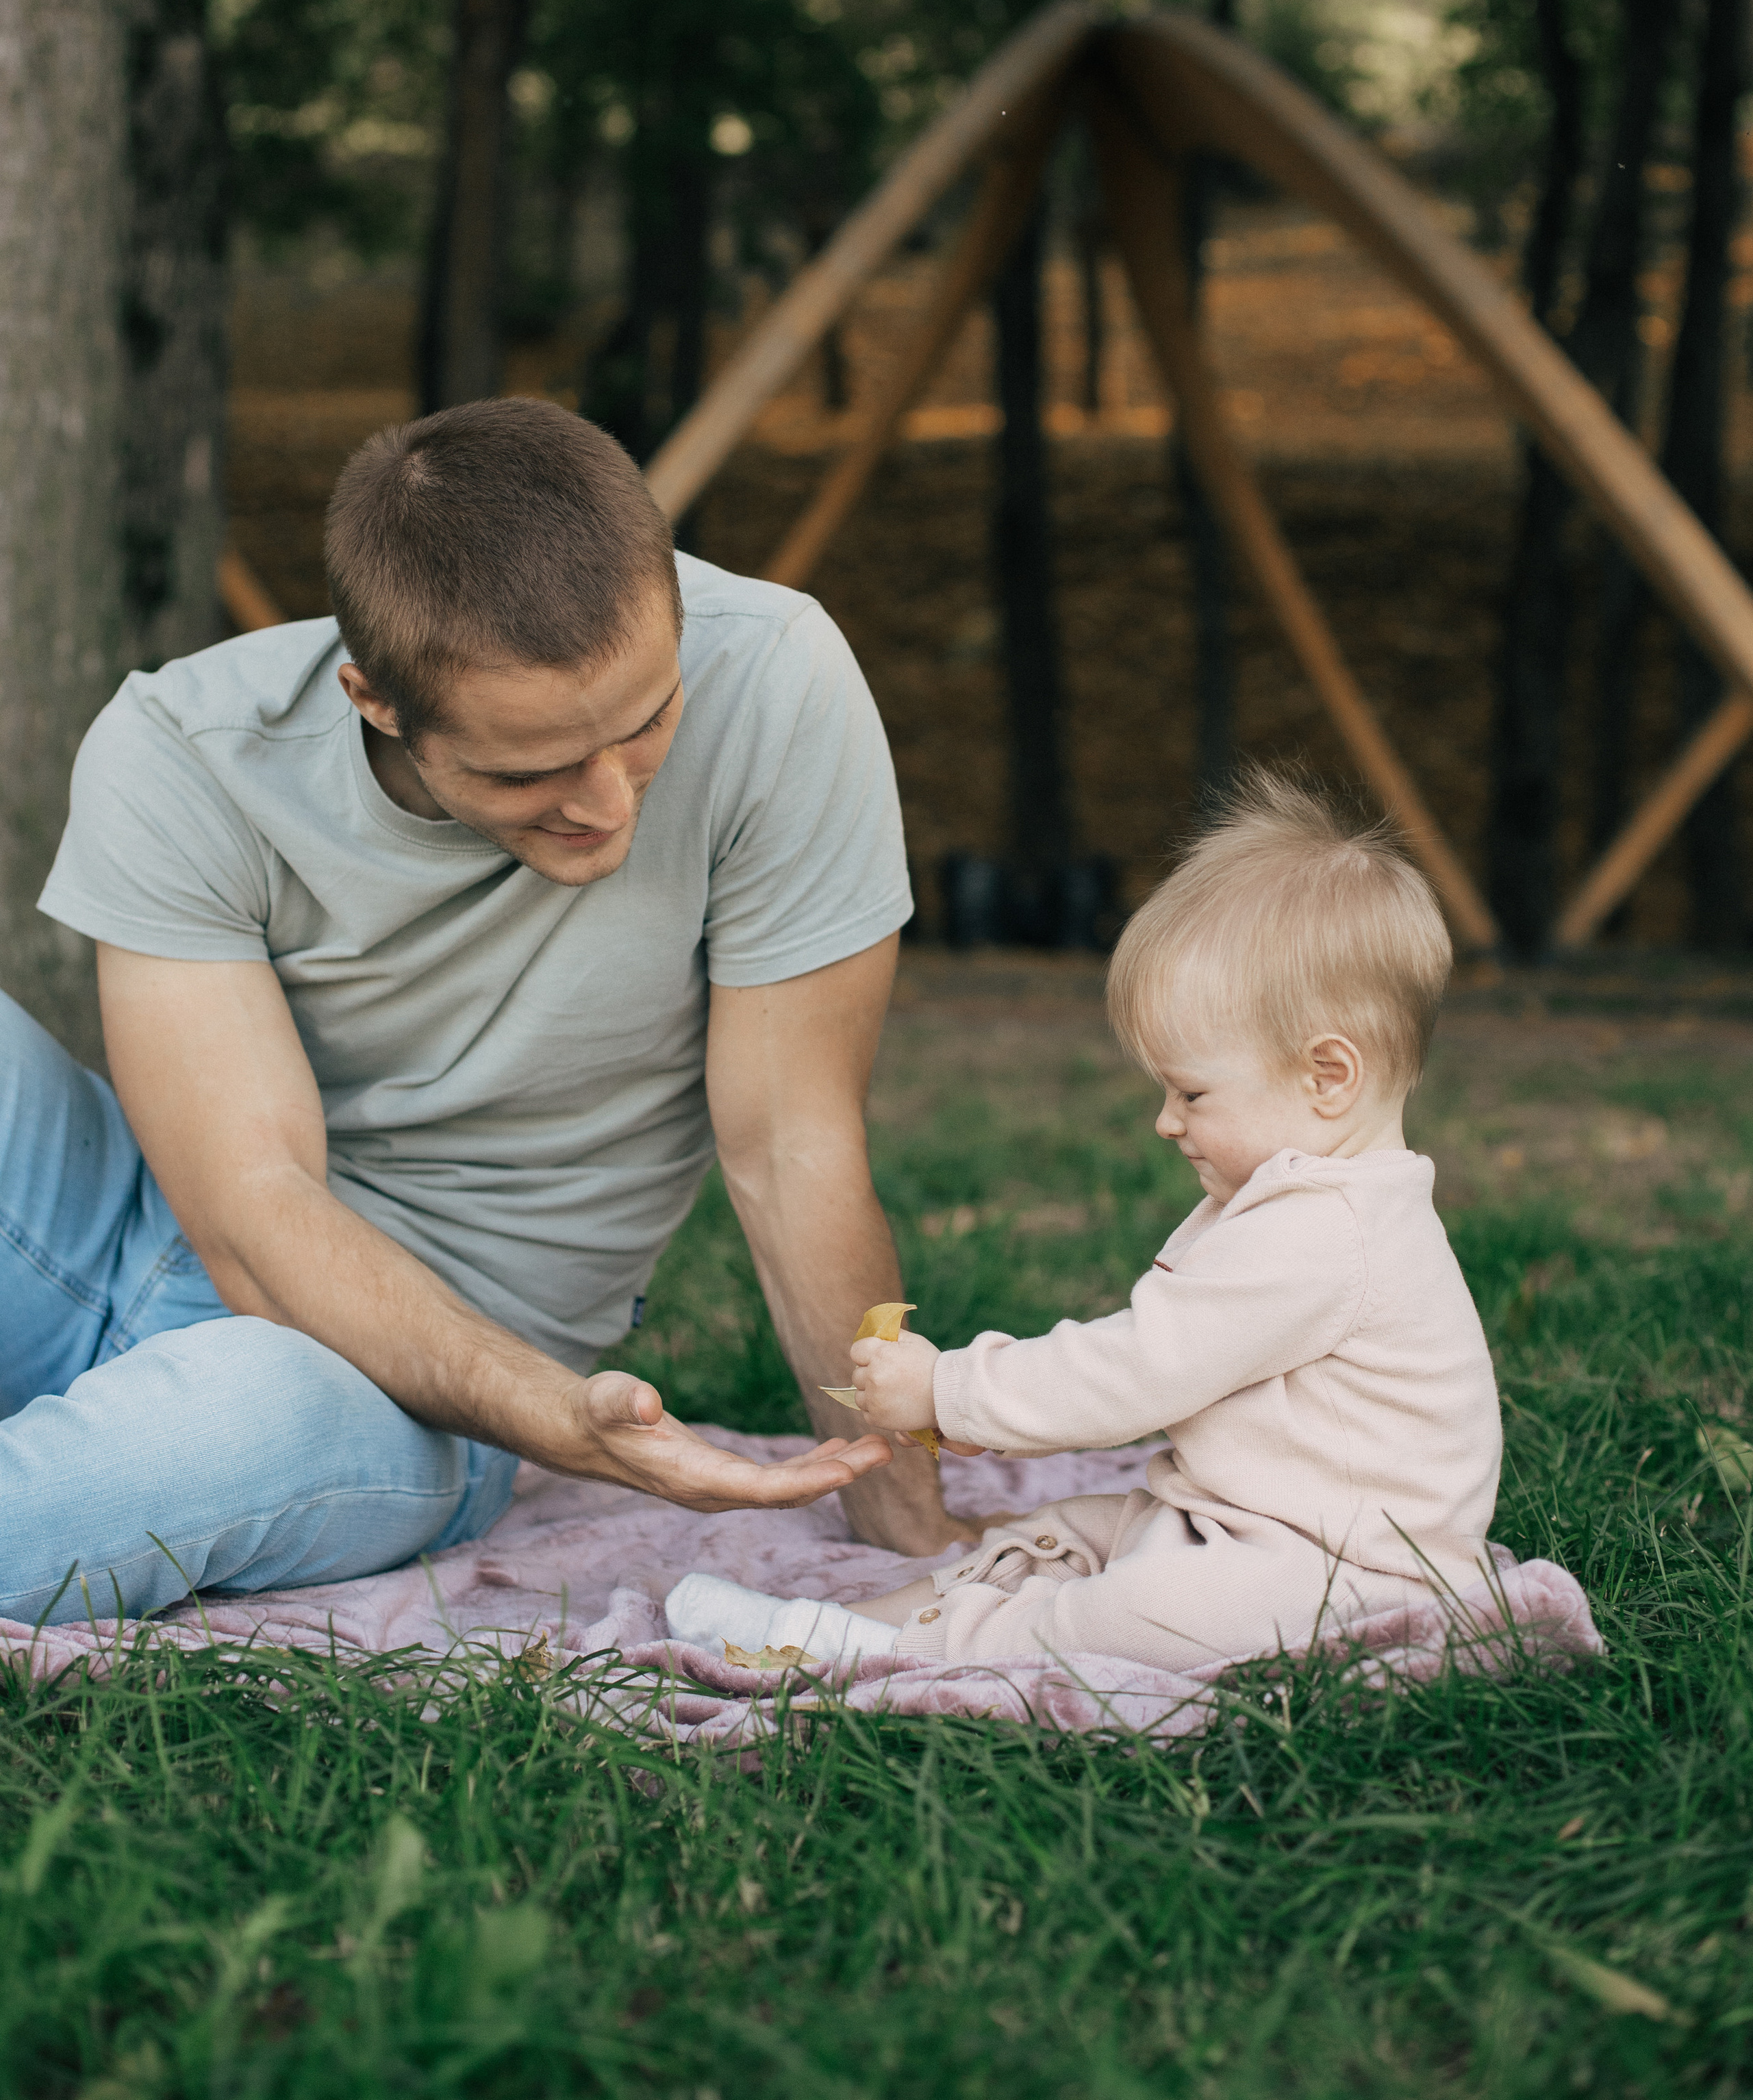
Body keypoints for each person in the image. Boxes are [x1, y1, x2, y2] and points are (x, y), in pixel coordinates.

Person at [0, 397, 986, 1630]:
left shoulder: (776, 680)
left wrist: (911, 1529)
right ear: (377, 701)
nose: (609, 804)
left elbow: (794, 1151)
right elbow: (254, 1211)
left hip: (414, 1393)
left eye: (647, 726)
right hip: (128, 1233)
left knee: (217, 1418)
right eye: (527, 773)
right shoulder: (183, 748)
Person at [665, 770, 1503, 1671]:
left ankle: (897, 1653)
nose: (1166, 1121)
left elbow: (1138, 1370)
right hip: (1243, 1521)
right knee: (1069, 1532)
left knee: (1147, 1610)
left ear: (1328, 1077)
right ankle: (864, 1619)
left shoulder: (1327, 1233)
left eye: (1191, 1091)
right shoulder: (1300, 1199)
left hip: (1352, 1569)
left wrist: (950, 1392)